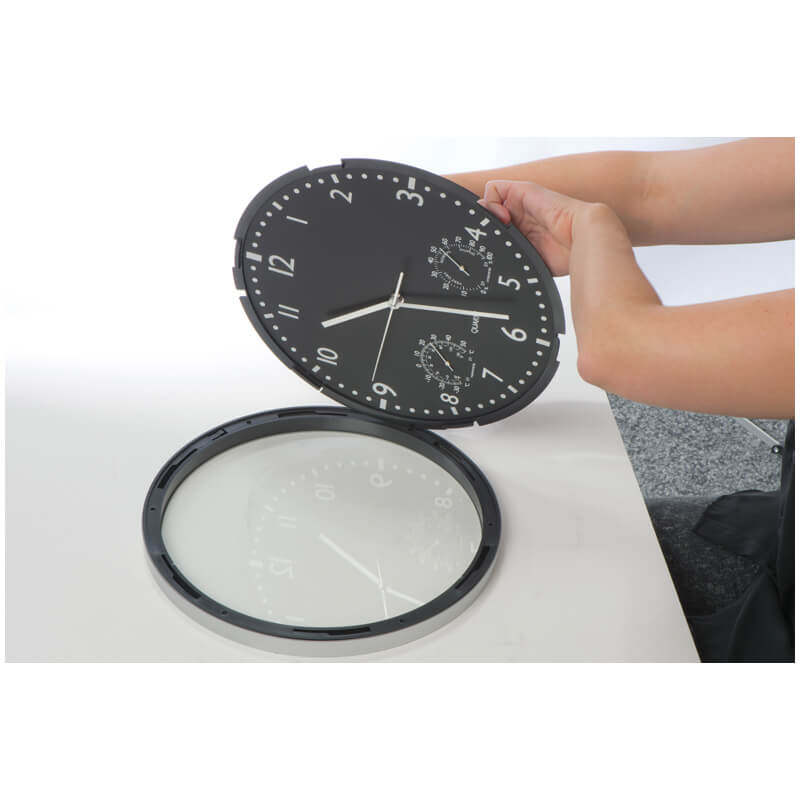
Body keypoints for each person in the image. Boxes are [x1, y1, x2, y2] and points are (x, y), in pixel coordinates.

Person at [447, 138, 795, 662]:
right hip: (780, 534)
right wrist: (413, 202)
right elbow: (652, 187)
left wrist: (590, 229)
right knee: (562, 544)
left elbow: (621, 351)